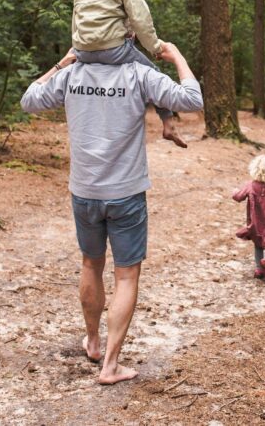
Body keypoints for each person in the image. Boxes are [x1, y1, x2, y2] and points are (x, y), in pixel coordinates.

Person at [20, 41, 203, 385]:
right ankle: (111, 364)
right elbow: (192, 99)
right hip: (126, 194)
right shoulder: (139, 73)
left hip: (84, 193)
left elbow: (29, 99)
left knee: (91, 263)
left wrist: (62, 62)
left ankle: (92, 341)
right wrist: (177, 55)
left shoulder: (71, 74)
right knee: (126, 276)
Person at [71, 0, 188, 148]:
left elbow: (77, 16)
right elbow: (141, 20)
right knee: (153, 73)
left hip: (83, 51)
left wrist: (78, 47)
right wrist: (155, 48)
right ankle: (168, 123)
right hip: (112, 51)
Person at [231, 155, 265, 281]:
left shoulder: (250, 186)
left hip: (255, 224)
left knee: (258, 246)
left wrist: (234, 191)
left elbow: (238, 197)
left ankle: (258, 269)